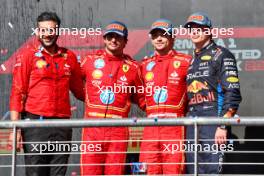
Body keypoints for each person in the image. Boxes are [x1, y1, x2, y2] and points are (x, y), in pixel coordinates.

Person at [9, 12, 85, 176]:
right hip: (35, 125)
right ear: (37, 32)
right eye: (43, 30)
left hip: (62, 126)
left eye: (51, 30)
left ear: (58, 31)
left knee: (59, 172)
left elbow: (81, 92)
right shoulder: (27, 55)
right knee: (36, 172)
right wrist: (15, 130)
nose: (47, 34)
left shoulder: (69, 57)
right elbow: (17, 92)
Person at [80, 21, 145, 175]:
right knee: (90, 172)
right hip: (92, 128)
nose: (113, 40)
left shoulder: (134, 68)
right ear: (104, 39)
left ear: (125, 41)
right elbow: (72, 82)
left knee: (114, 172)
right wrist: (86, 95)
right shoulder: (89, 61)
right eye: (110, 37)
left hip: (118, 129)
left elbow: (142, 98)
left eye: (118, 37)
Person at [184, 12, 242, 174]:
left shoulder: (222, 54)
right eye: (191, 29)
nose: (194, 32)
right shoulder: (192, 60)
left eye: (199, 28)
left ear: (209, 30)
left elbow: (232, 92)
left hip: (213, 122)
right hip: (193, 123)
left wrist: (223, 125)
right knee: (193, 171)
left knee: (212, 170)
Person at [139, 19, 192, 175]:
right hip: (151, 125)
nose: (159, 39)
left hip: (175, 126)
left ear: (173, 38)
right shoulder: (144, 64)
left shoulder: (186, 61)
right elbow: (139, 94)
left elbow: (194, 92)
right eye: (155, 36)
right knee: (149, 170)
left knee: (174, 170)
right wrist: (151, 109)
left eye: (163, 35)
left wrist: (180, 111)